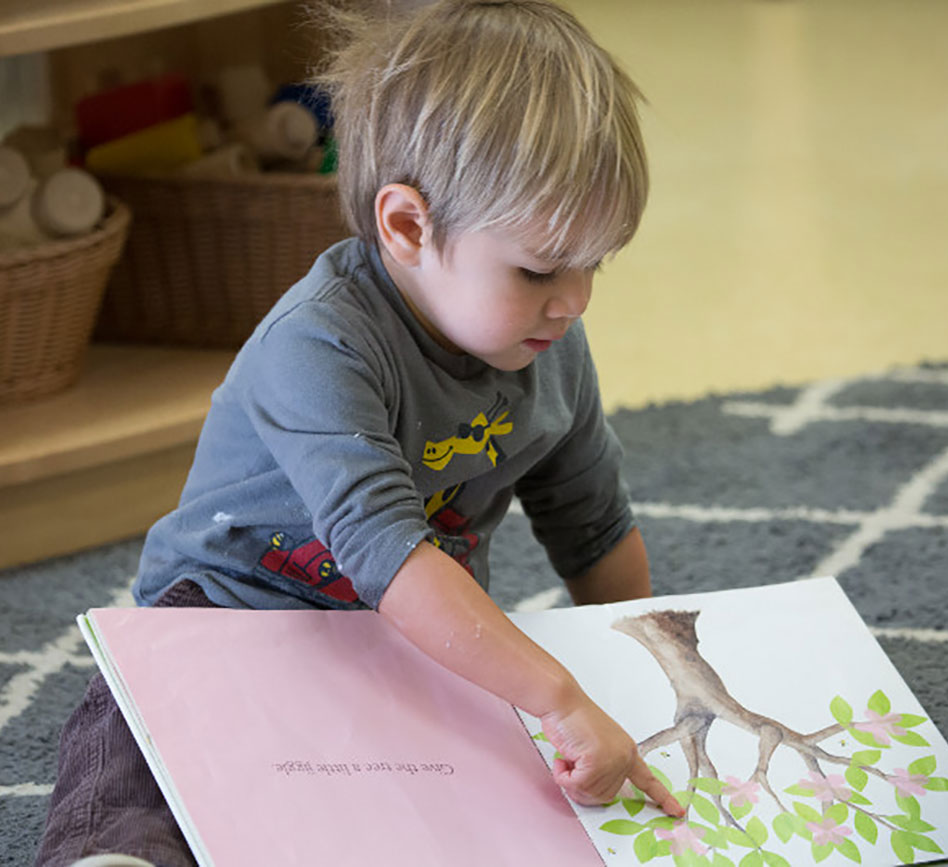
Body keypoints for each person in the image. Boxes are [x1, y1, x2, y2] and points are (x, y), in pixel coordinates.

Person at [35, 2, 683, 864]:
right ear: (407, 226)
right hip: (236, 610)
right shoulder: (320, 341)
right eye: (538, 269)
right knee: (139, 733)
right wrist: (558, 696)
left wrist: (636, 674)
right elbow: (386, 549)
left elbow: (592, 523)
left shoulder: (550, 343)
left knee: (476, 793)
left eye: (592, 264)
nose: (573, 301)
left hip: (410, 630)